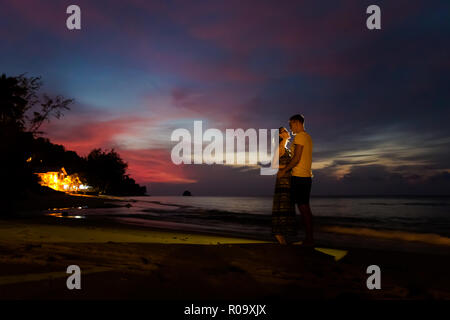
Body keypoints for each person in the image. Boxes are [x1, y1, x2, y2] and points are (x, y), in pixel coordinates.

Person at [277, 114, 314, 246]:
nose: (290, 127)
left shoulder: (300, 136)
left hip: (300, 177)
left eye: (291, 124)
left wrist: (284, 171)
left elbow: (296, 159)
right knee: (303, 208)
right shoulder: (307, 137)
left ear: (297, 123)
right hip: (305, 176)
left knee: (302, 208)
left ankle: (308, 239)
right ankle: (308, 238)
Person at [271, 127, 297, 245]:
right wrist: (288, 167)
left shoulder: (286, 149)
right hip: (283, 181)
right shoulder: (280, 148)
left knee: (287, 207)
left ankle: (283, 239)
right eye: (285, 131)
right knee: (282, 207)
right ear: (281, 136)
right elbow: (274, 166)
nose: (288, 132)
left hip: (288, 180)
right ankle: (279, 236)